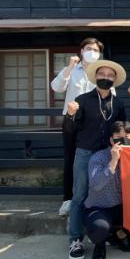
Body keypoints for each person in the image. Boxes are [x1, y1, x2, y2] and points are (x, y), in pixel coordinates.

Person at [63, 59, 127, 259]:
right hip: (85, 153)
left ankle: (105, 233)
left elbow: (123, 129)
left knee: (109, 193)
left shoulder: (118, 103)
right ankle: (76, 238)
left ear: (114, 80)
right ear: (95, 77)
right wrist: (70, 115)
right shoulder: (82, 100)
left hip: (109, 153)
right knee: (79, 195)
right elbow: (70, 130)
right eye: (102, 74)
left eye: (110, 75)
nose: (105, 77)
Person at [50, 37, 105, 217]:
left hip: (95, 122)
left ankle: (91, 197)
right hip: (72, 119)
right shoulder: (72, 69)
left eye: (96, 50)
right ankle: (68, 199)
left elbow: (109, 94)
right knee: (70, 159)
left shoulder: (102, 72)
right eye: (89, 49)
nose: (92, 52)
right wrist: (69, 67)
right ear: (81, 51)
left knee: (95, 158)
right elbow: (56, 87)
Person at [83, 121, 130, 259]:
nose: (123, 140)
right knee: (100, 228)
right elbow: (96, 185)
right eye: (118, 137)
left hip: (123, 207)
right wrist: (114, 160)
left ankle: (118, 235)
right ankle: (100, 244)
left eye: (127, 137)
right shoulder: (98, 158)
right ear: (111, 140)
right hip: (99, 207)